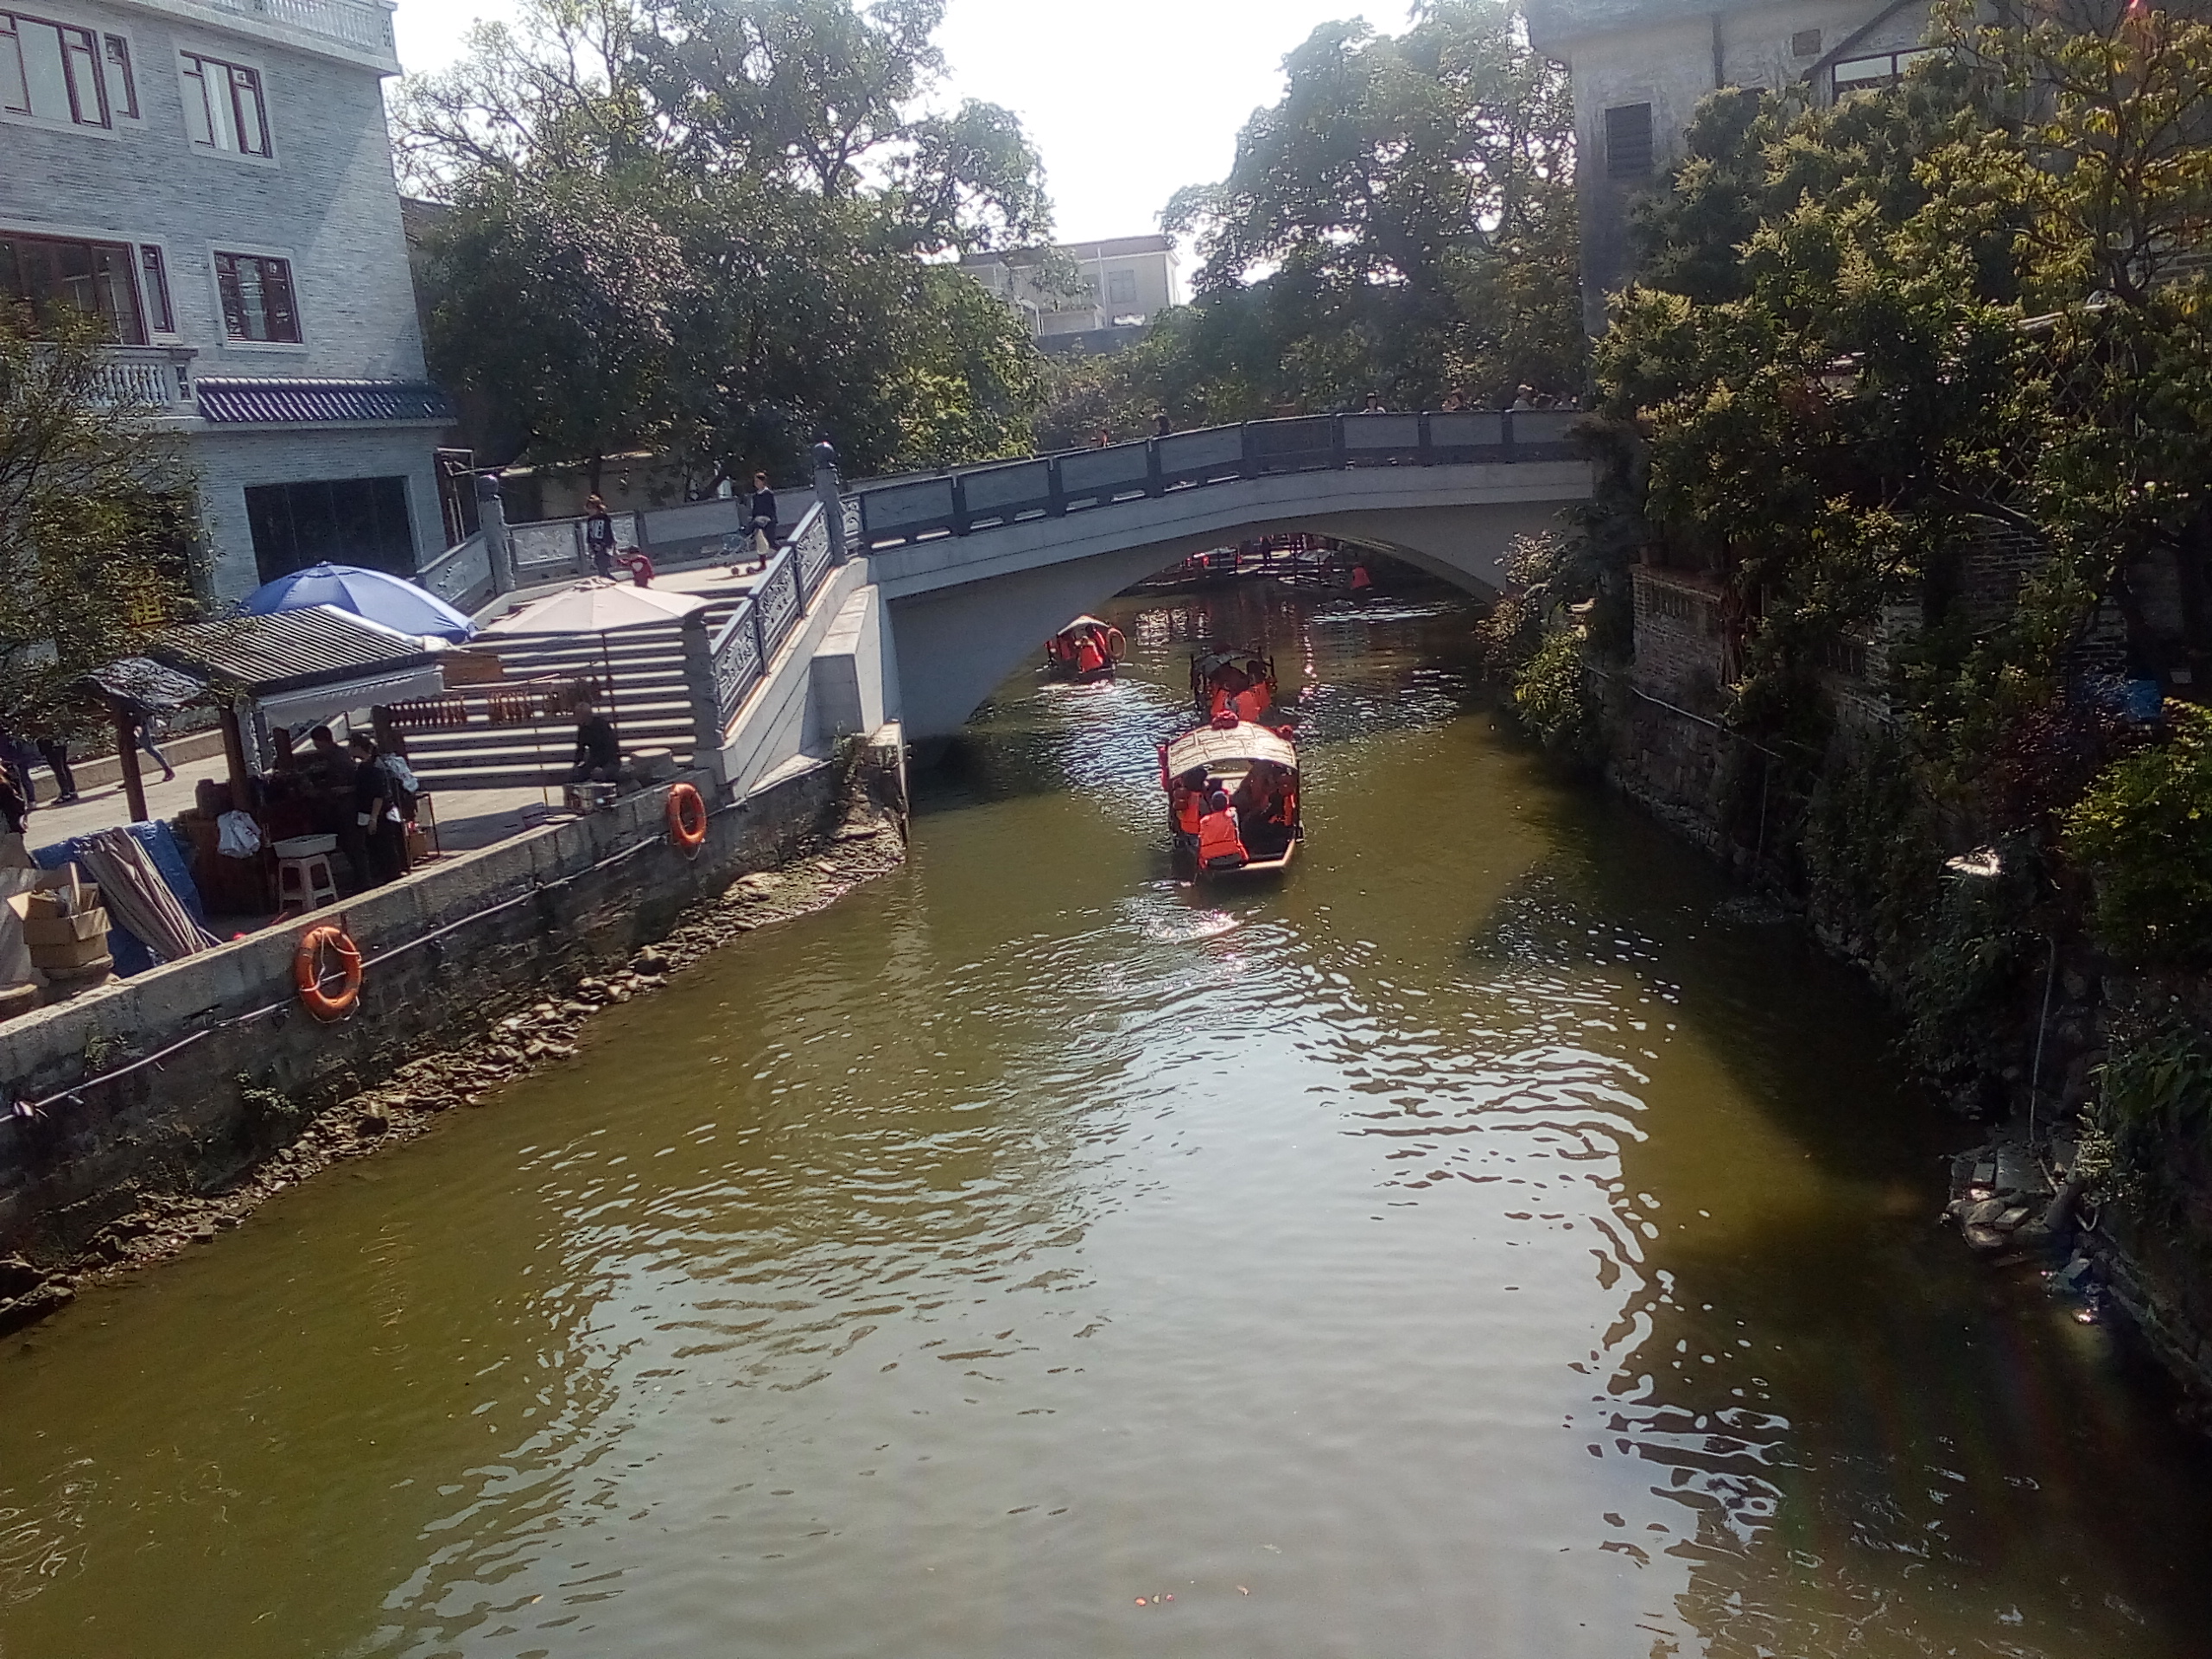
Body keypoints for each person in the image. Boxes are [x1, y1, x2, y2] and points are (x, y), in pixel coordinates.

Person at [347, 732, 407, 887]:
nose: (349, 749)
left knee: (385, 844)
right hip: (369, 812)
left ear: (358, 747)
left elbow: (379, 795)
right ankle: (385, 874)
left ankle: (392, 874)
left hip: (379, 813)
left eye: (351, 746)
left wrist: (373, 818)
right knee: (376, 844)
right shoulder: (364, 766)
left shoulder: (375, 767)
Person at [570, 700, 621, 785]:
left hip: (610, 761)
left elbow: (610, 749)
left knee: (599, 775)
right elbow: (580, 749)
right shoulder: (583, 729)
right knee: (575, 775)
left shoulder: (602, 726)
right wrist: (576, 764)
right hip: (594, 761)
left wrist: (598, 766)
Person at [1197, 790, 1247, 870]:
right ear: (1227, 805)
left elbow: (1201, 842)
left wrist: (1201, 861)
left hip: (1214, 862)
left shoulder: (1204, 821)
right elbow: (1237, 838)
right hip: (1234, 859)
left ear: (1212, 806)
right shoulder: (1231, 817)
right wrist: (1244, 856)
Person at [34, 731, 79, 803]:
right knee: (64, 767)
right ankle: (72, 791)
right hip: (60, 742)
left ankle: (66, 794)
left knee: (59, 770)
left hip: (50, 745)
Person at [748, 472, 779, 570]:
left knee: (771, 542)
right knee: (760, 542)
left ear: (763, 482)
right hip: (759, 522)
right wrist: (754, 519)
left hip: (769, 521)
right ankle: (763, 564)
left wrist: (769, 518)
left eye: (758, 481)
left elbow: (772, 508)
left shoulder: (768, 494)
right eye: (755, 481)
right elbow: (755, 509)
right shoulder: (755, 496)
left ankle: (785, 553)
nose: (756, 483)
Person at [1171, 767, 1207, 847]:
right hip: (1202, 828)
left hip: (1188, 828)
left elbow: (1180, 815)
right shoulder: (1203, 797)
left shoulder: (1183, 796)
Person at [585, 493, 617, 580]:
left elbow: (608, 532)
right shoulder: (590, 519)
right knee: (600, 566)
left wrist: (608, 544)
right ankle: (609, 581)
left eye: (591, 508)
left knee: (603, 566)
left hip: (604, 545)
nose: (589, 511)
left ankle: (612, 582)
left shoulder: (604, 518)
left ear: (596, 508)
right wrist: (590, 544)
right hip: (595, 546)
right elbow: (590, 533)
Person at [136, 715, 175, 782]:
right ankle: (130, 777)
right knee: (127, 751)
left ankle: (168, 770)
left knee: (149, 748)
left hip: (139, 722)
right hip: (131, 723)